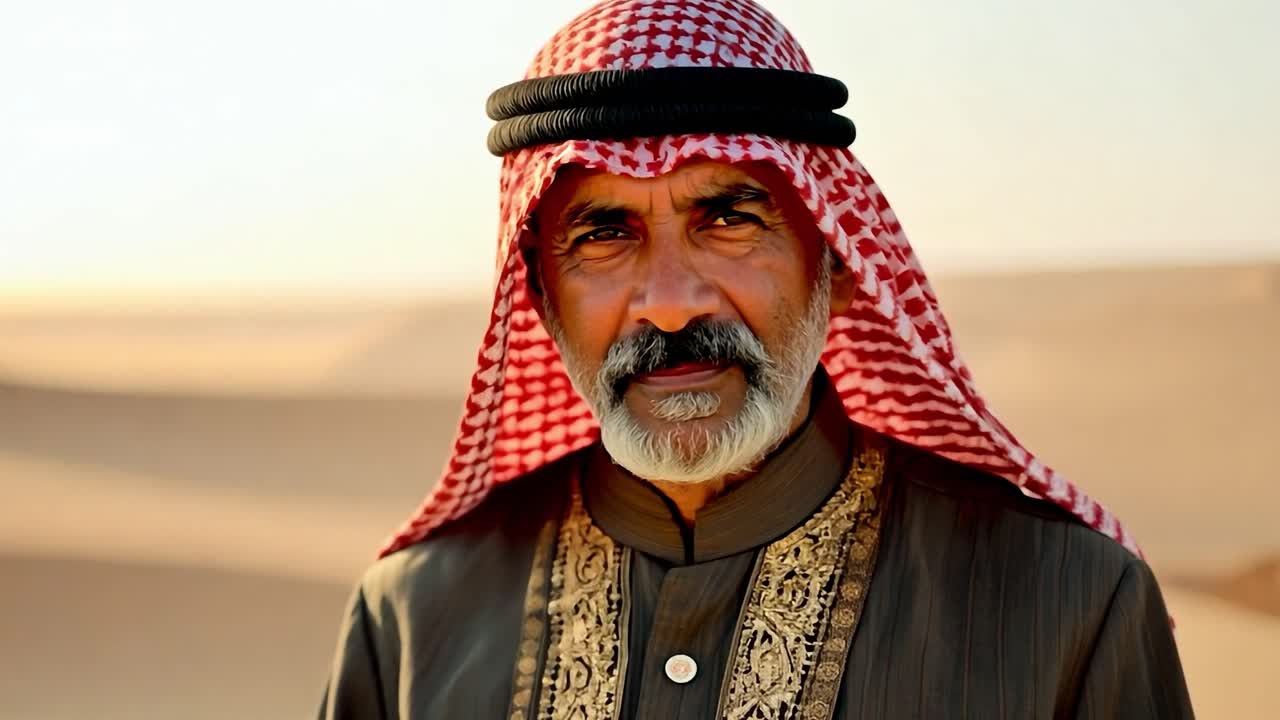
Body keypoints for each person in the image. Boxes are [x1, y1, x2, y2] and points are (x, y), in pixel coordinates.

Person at [318, 1, 1192, 717]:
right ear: (540, 296)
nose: (668, 301)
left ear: (839, 259)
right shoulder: (412, 620)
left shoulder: (1067, 604)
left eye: (729, 219)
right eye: (603, 233)